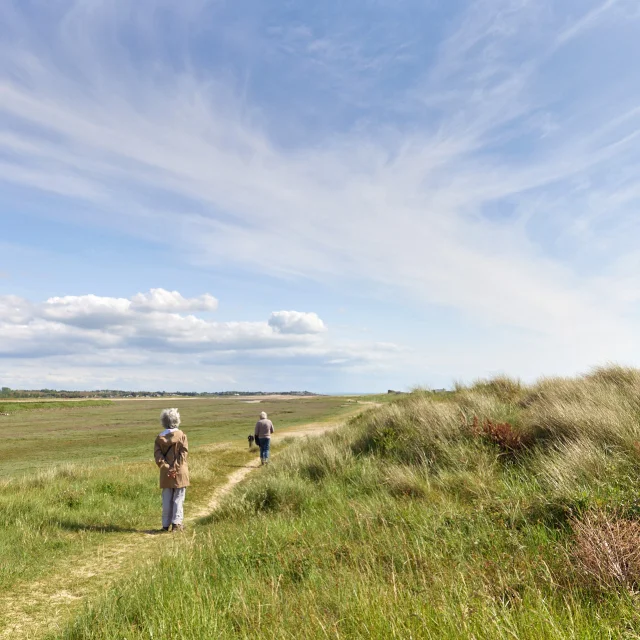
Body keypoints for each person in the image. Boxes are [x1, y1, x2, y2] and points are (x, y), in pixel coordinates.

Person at [154, 408, 189, 532]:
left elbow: (158, 457)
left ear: (164, 421)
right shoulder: (182, 436)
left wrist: (167, 468)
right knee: (179, 498)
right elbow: (183, 454)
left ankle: (165, 525)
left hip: (165, 473)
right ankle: (176, 524)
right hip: (180, 472)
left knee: (166, 498)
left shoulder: (159, 438)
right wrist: (175, 468)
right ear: (177, 420)